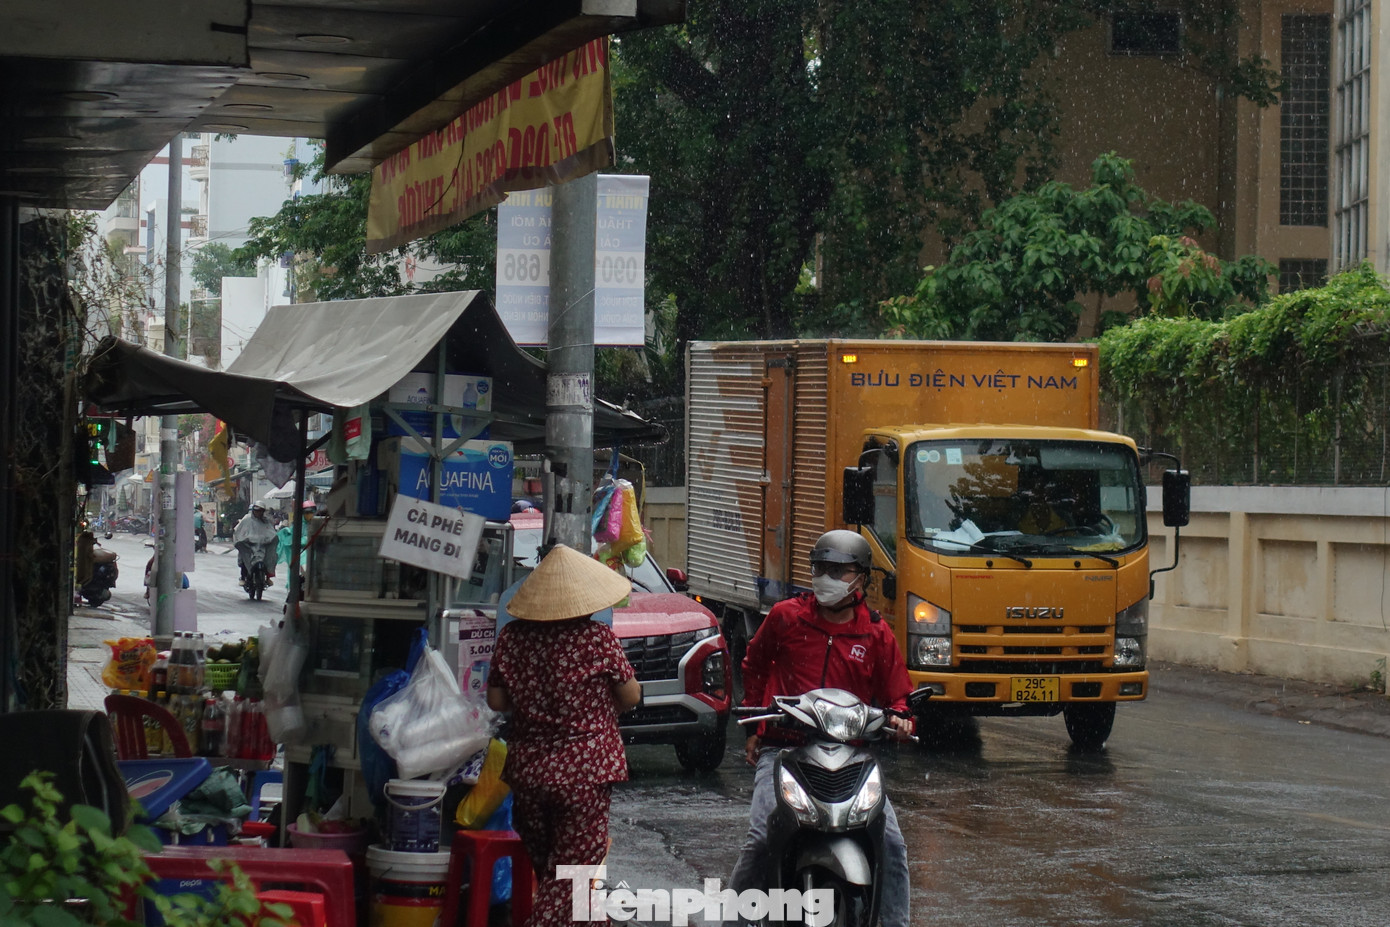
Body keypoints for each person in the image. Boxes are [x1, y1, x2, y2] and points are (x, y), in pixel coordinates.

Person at [729, 529, 915, 927]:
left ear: (861, 577)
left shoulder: (876, 632)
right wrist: (755, 725)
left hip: (853, 757)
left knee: (892, 845)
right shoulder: (786, 617)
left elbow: (898, 695)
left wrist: (901, 718)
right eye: (820, 568)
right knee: (761, 839)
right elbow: (754, 665)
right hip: (784, 749)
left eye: (838, 570)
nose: (826, 578)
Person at [486, 544, 642, 927]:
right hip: (585, 774)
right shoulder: (597, 638)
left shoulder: (512, 639)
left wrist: (534, 699)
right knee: (570, 880)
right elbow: (630, 695)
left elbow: (496, 701)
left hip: (529, 772)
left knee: (558, 876)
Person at [233, 503, 279, 587]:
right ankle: (243, 577)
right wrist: (243, 539)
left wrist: (271, 538)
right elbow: (239, 531)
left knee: (270, 557)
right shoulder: (246, 520)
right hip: (250, 546)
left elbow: (271, 532)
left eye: (260, 511)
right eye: (256, 511)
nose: (258, 513)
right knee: (244, 557)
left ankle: (268, 577)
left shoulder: (266, 521)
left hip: (262, 545)